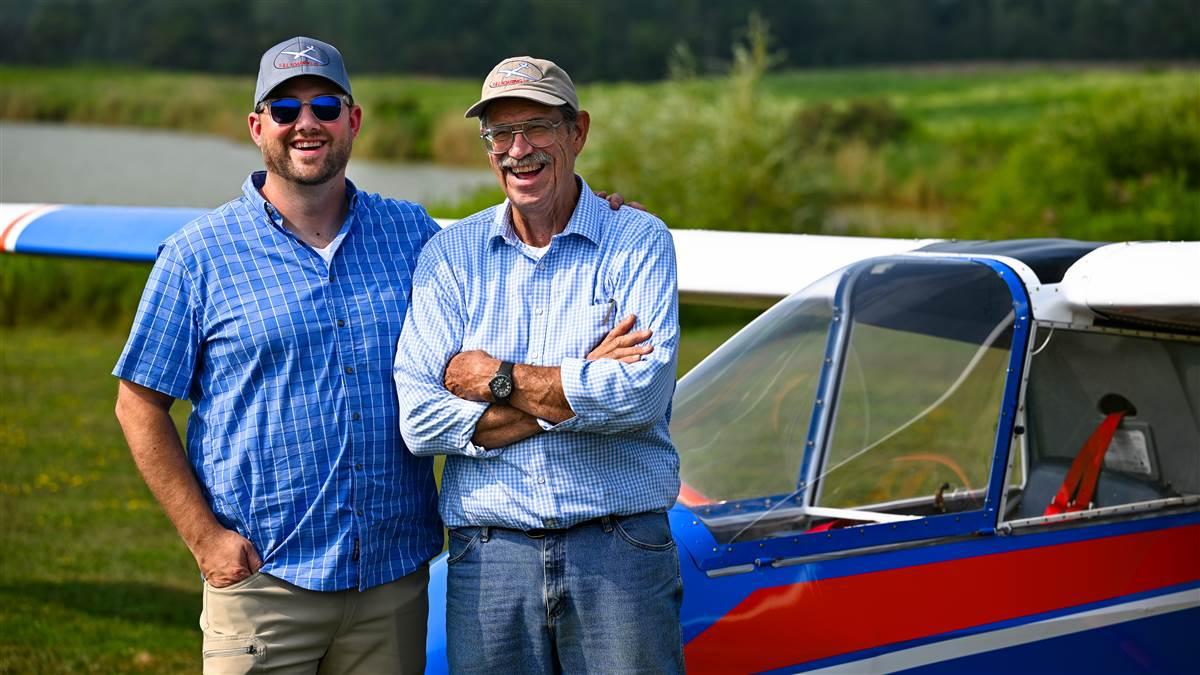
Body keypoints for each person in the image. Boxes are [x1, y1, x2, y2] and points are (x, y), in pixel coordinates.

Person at [112, 36, 443, 673]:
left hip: (391, 583)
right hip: (264, 583)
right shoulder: (197, 254)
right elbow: (138, 404)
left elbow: (508, 261)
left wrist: (595, 214)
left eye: (323, 105)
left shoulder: (413, 232)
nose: (306, 124)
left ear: (353, 120)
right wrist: (206, 540)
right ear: (257, 126)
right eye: (285, 110)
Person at [393, 56, 685, 673]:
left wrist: (497, 379)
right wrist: (581, 379)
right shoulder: (449, 254)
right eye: (499, 133)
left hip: (619, 547)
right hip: (490, 558)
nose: (517, 149)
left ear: (576, 132)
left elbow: (639, 396)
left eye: (536, 127)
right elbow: (420, 421)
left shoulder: (637, 241)